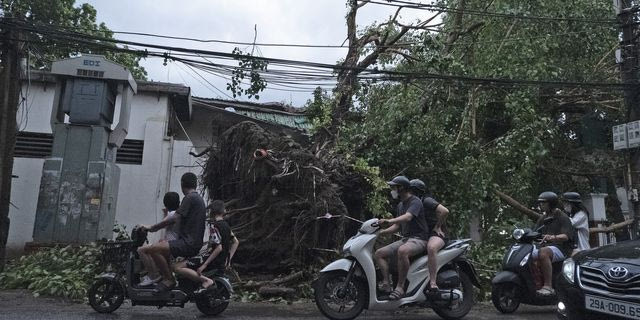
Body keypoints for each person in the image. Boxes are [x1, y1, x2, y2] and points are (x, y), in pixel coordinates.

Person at [140, 172, 206, 294]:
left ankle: (169, 279)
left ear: (182, 184)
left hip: (188, 243)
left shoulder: (190, 198)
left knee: (154, 249)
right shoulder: (198, 199)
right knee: (160, 248)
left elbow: (174, 218)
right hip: (191, 241)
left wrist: (153, 228)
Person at [374, 176, 429, 300]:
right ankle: (387, 284)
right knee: (379, 253)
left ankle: (400, 287)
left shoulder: (415, 201)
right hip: (407, 239)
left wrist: (388, 220)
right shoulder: (400, 205)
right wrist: (380, 233)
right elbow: (397, 226)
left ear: (402, 188)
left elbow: (408, 217)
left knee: (403, 251)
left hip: (419, 239)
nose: (392, 190)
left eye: (394, 187)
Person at [173, 200, 239, 291]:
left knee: (177, 267)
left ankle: (206, 280)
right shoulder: (226, 226)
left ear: (212, 212)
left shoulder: (214, 226)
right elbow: (236, 242)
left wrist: (204, 265)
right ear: (223, 211)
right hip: (221, 261)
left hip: (213, 260)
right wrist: (228, 260)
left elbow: (218, 248)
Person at [410, 179, 450, 292]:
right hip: (423, 234)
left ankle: (433, 282)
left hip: (437, 233)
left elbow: (445, 211)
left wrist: (438, 226)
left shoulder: (426, 200)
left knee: (431, 248)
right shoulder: (411, 204)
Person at [533, 191, 574, 296]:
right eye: (540, 203)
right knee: (527, 252)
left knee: (543, 253)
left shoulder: (563, 217)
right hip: (547, 246)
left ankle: (548, 286)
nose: (541, 205)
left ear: (551, 203)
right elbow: (534, 232)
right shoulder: (543, 218)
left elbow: (566, 236)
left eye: (544, 203)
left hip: (562, 248)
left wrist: (552, 237)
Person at [137, 191, 181, 287]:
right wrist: (166, 213)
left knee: (141, 250)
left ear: (166, 203)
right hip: (172, 244)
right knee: (152, 247)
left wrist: (143, 226)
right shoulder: (176, 214)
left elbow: (156, 227)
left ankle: (154, 276)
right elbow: (166, 224)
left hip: (170, 245)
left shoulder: (172, 215)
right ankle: (158, 275)